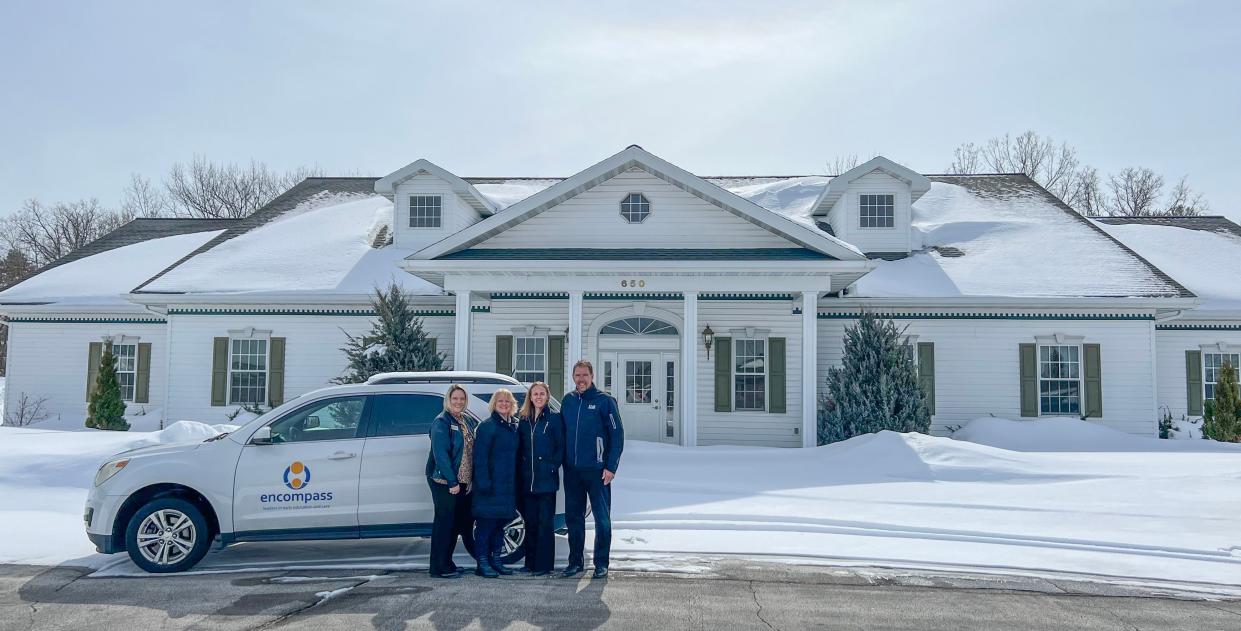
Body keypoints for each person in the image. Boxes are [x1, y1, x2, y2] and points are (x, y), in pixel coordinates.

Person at [560, 360, 624, 579]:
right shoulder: (568, 401)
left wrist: (611, 466)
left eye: (584, 375)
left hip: (598, 472)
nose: (581, 379)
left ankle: (601, 563)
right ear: (573, 377)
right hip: (572, 472)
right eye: (577, 375)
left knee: (602, 519)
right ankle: (575, 562)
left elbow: (617, 436)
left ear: (592, 376)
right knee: (574, 518)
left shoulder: (604, 402)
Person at [425, 384, 478, 579]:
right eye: (455, 398)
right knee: (444, 523)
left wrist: (469, 480)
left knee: (454, 525)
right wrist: (452, 481)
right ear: (448, 400)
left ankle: (448, 562)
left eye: (462, 399)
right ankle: (438, 567)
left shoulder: (466, 420)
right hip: (444, 481)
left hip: (463, 481)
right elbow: (441, 455)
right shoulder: (442, 421)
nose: (458, 402)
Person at [516, 381, 564, 576]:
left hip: (546, 481)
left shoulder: (554, 419)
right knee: (531, 523)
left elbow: (561, 447)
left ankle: (544, 566)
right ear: (530, 397)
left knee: (545, 524)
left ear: (547, 396)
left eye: (542, 394)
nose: (538, 397)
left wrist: (552, 466)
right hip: (528, 481)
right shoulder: (524, 419)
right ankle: (530, 563)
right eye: (535, 394)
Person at [472, 387, 521, 578]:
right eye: (500, 401)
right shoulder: (487, 426)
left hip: (507, 486)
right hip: (489, 487)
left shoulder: (511, 427)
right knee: (485, 526)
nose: (504, 404)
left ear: (512, 405)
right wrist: (483, 483)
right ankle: (482, 563)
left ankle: (496, 560)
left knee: (500, 526)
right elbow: (480, 458)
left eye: (507, 401)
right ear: (494, 404)